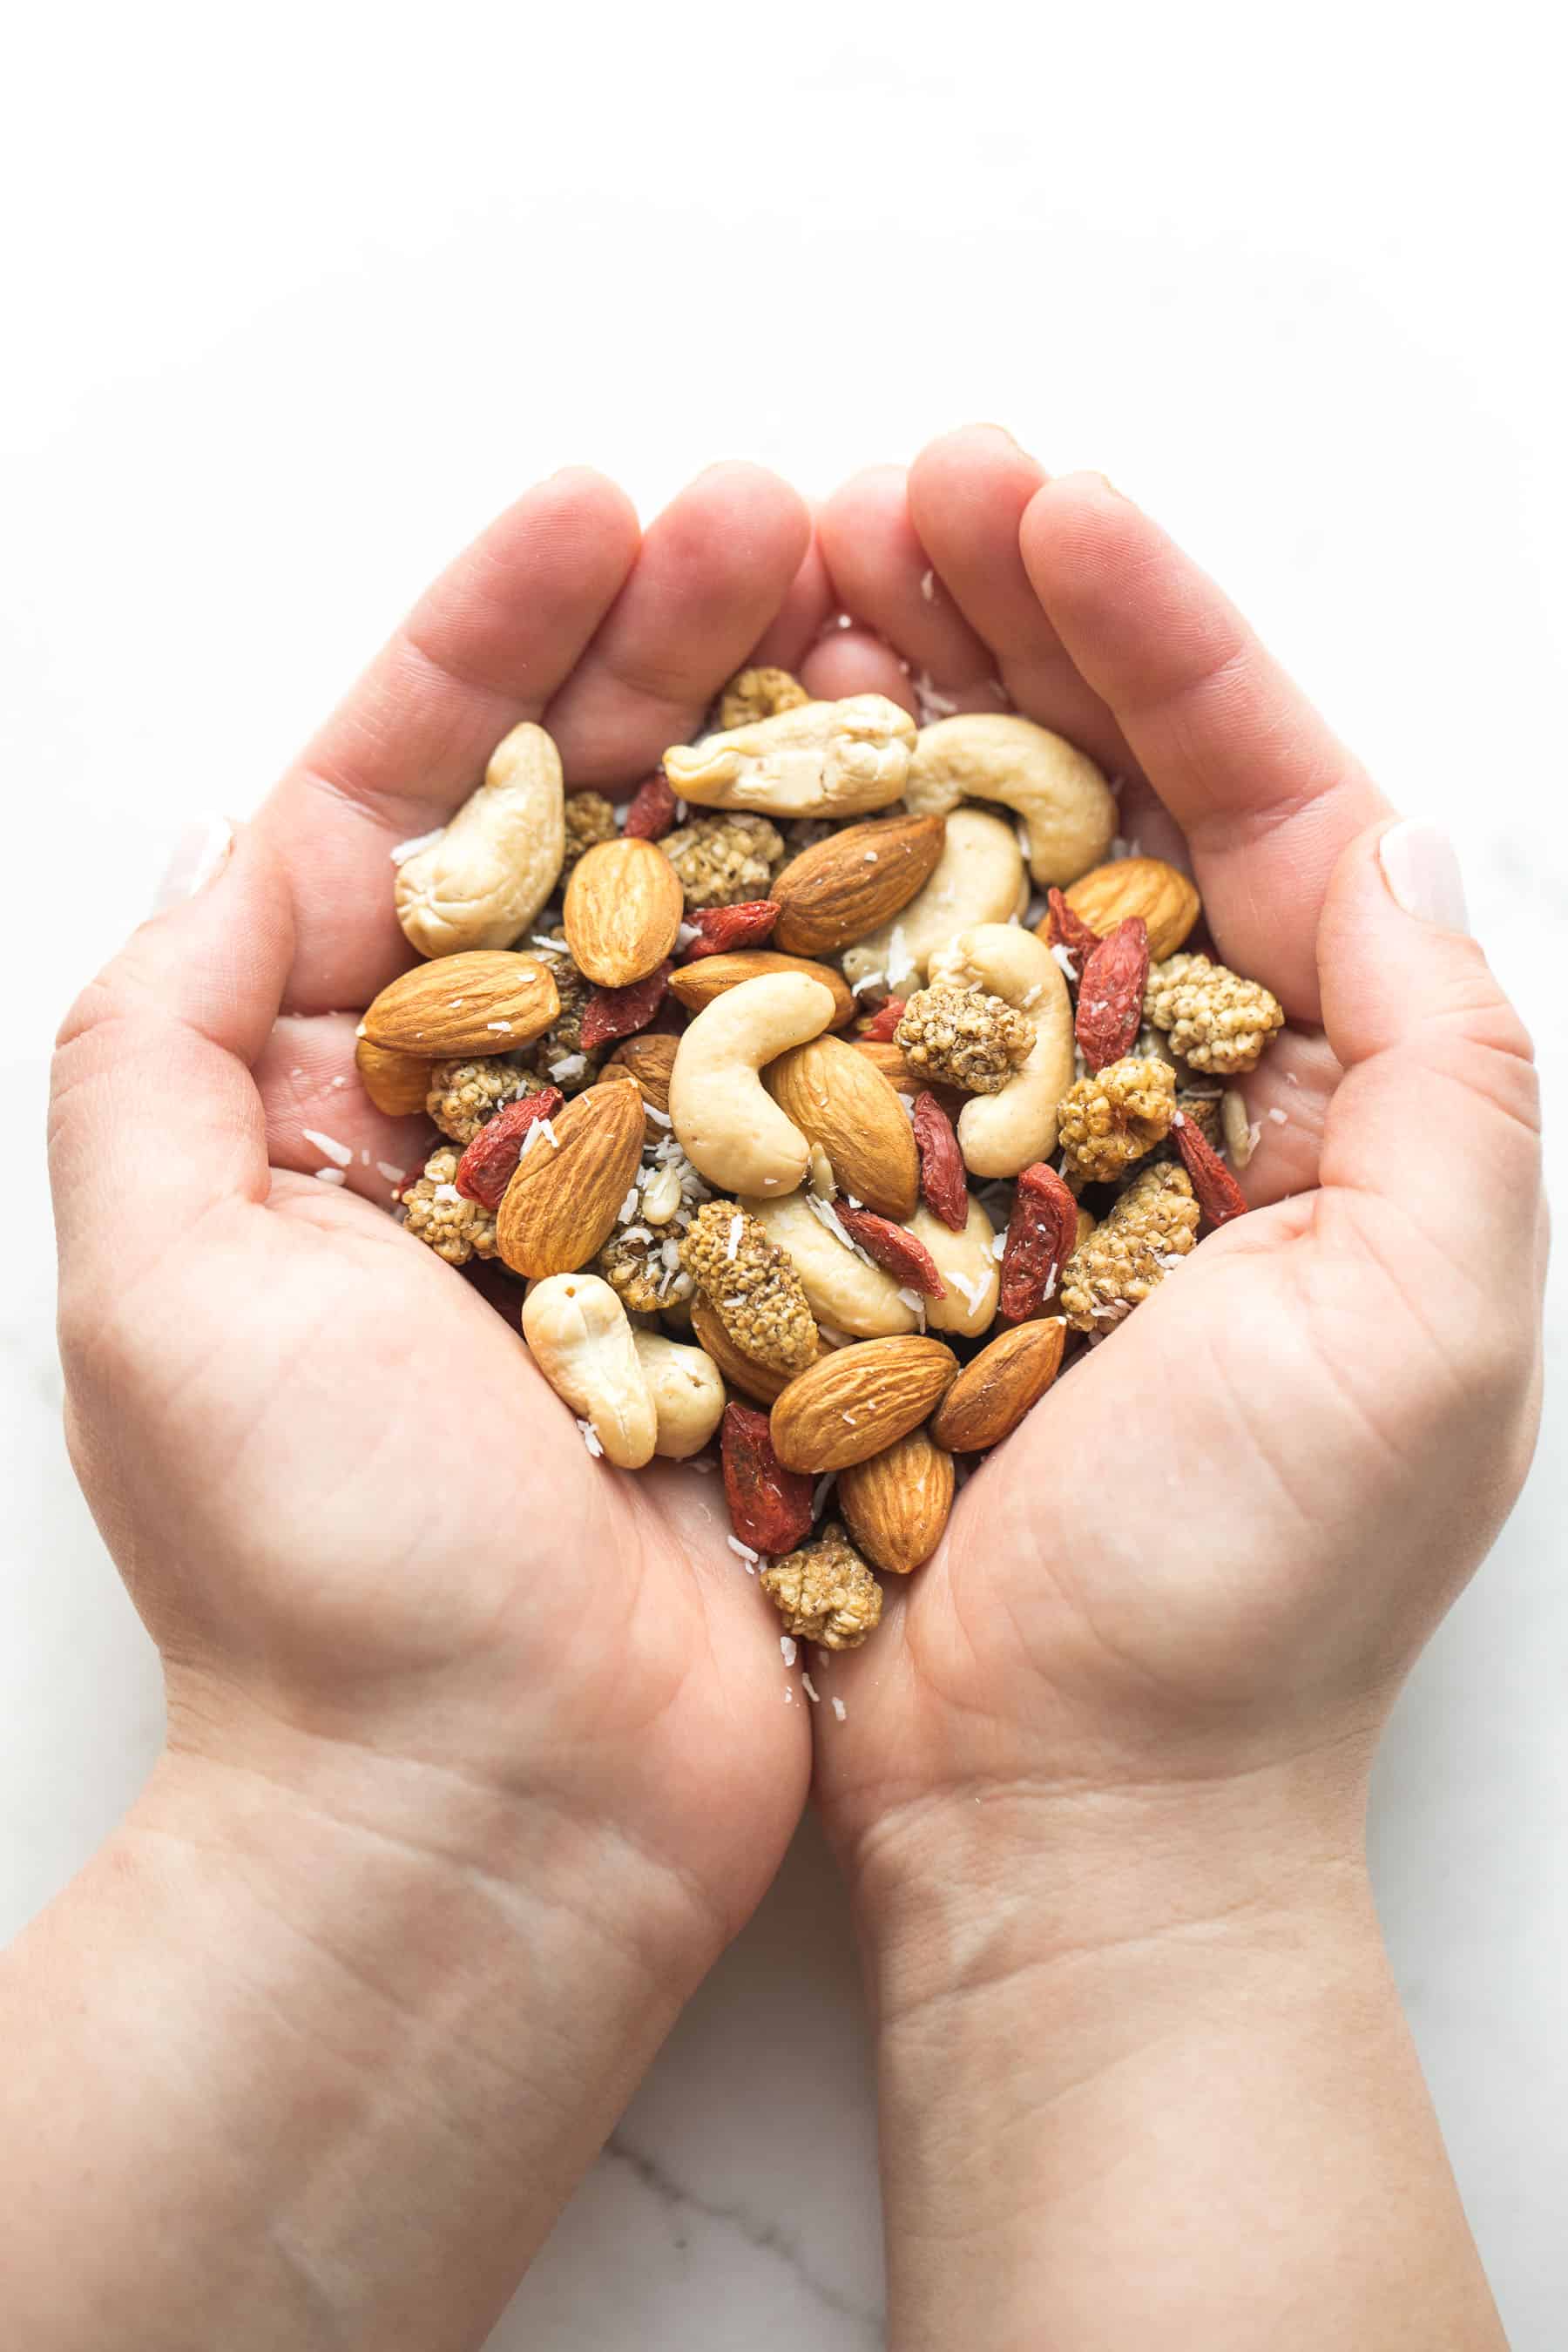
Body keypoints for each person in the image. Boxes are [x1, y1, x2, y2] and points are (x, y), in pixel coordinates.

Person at [9, 427, 1541, 2349]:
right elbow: (735, 1136)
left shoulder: (909, 1072)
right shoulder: (678, 1046)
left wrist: (398, 1806)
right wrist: (1140, 1846)